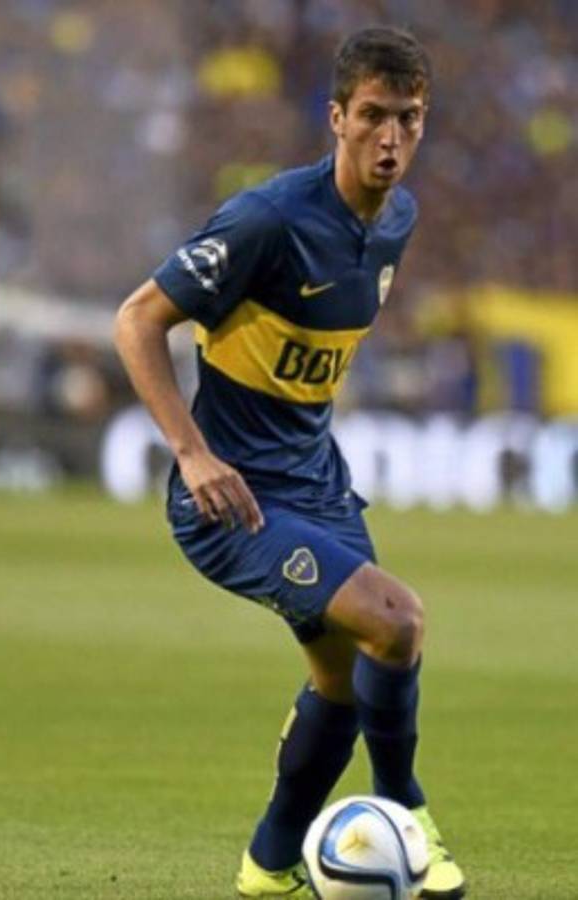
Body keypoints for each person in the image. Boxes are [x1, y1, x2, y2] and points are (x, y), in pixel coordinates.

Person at [115, 26, 466, 900]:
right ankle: (409, 815)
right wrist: (192, 453)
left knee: (341, 684)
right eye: (373, 115)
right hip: (232, 501)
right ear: (336, 117)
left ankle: (267, 867)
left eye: (408, 118)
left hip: (317, 484)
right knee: (397, 622)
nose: (390, 137)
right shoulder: (267, 220)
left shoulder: (396, 221)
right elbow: (137, 319)